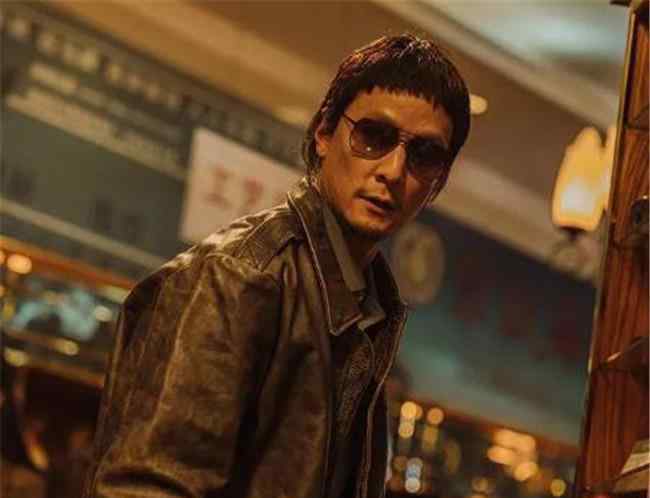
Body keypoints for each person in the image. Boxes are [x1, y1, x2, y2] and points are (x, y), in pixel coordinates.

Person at [83, 33, 470, 498]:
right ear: (324, 133)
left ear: (438, 182)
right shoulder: (238, 276)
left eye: (424, 155)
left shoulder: (369, 307)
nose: (392, 170)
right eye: (373, 136)